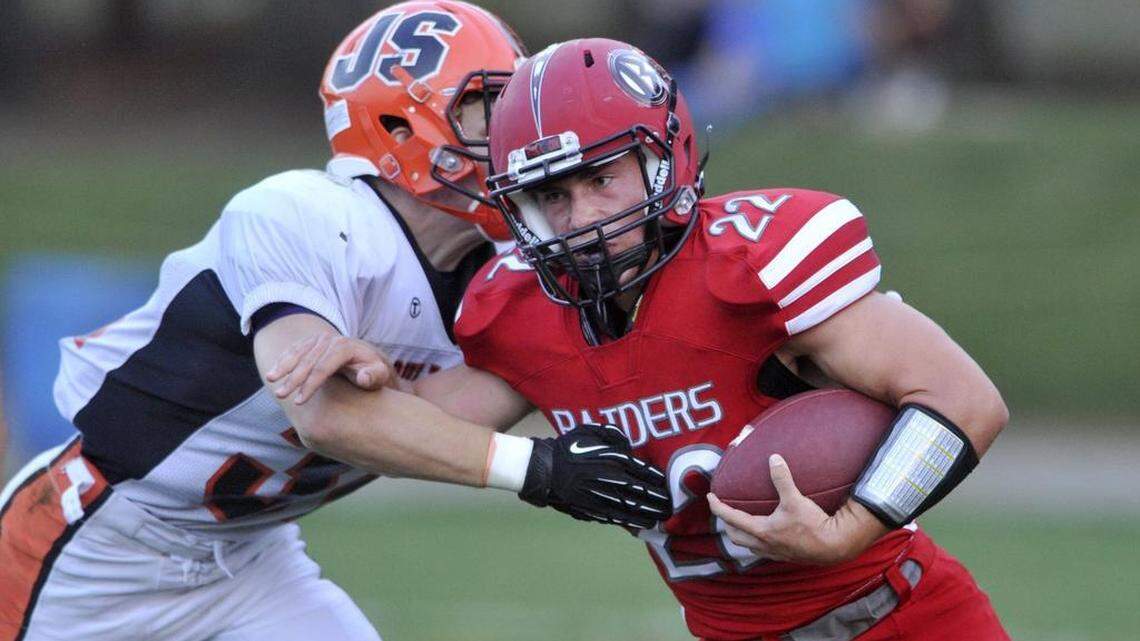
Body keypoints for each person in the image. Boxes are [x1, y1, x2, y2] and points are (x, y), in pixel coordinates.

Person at [273, 38, 1012, 641]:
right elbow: (421, 427)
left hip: (904, 618)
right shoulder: (522, 312)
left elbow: (965, 400)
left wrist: (848, 530)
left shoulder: (750, 265)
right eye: (549, 194)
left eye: (599, 178)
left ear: (665, 159)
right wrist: (366, 363)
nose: (576, 217)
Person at [0, 13, 670, 641]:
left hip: (252, 558)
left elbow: (422, 423)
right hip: (97, 542)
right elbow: (326, 414)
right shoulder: (305, 214)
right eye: (487, 109)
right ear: (400, 128)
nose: (513, 133)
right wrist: (539, 467)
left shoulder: (509, 269)